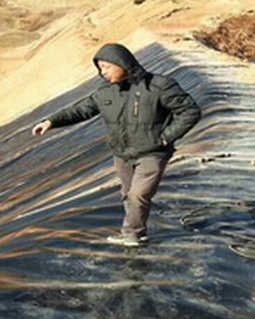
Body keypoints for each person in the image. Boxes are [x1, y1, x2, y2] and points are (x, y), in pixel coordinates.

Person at [32, 43, 201, 247]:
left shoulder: (158, 85)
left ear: (123, 64)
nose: (103, 73)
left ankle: (133, 234)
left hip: (152, 152)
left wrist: (166, 138)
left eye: (107, 67)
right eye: (100, 68)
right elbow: (81, 110)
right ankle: (137, 231)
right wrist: (52, 121)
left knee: (140, 194)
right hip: (122, 153)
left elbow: (190, 111)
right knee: (128, 194)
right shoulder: (106, 93)